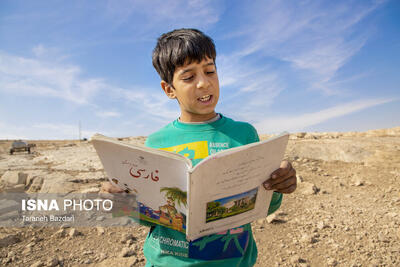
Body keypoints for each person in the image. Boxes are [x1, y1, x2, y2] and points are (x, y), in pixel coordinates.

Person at [102, 28, 297, 267]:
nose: (204, 83)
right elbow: (148, 216)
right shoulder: (156, 143)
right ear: (169, 89)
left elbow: (265, 206)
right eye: (188, 77)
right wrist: (121, 203)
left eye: (210, 71)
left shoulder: (244, 134)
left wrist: (280, 185)